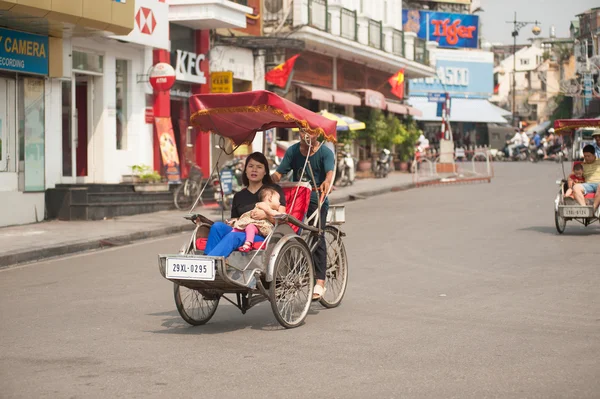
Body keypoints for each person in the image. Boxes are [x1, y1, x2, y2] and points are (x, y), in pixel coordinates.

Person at [272, 130, 335, 300]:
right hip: (297, 198)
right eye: (303, 130)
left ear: (318, 133)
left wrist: (327, 182)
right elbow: (279, 173)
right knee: (285, 231)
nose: (306, 134)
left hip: (317, 197)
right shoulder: (292, 151)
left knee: (317, 235)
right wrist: (268, 180)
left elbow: (329, 173)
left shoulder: (325, 152)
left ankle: (320, 282)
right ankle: (284, 275)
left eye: (311, 130)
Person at [203, 152, 286, 257]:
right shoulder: (239, 196)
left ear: (265, 171)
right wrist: (232, 222)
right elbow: (235, 219)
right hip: (241, 228)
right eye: (251, 166)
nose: (254, 170)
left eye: (259, 167)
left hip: (261, 233)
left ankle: (210, 264)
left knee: (234, 237)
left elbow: (283, 218)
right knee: (217, 227)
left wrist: (266, 215)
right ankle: (206, 262)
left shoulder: (273, 191)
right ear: (245, 170)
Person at [232, 187, 283, 252]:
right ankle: (248, 243)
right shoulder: (262, 204)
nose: (280, 203)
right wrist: (277, 214)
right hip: (256, 224)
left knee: (249, 228)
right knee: (250, 227)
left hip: (261, 230)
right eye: (278, 200)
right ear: (270, 198)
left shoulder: (272, 209)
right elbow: (270, 211)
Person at [572, 144, 600, 217]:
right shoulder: (581, 165)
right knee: (575, 187)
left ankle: (593, 209)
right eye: (585, 156)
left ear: (594, 155)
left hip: (599, 184)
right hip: (588, 185)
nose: (586, 158)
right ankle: (585, 209)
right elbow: (571, 175)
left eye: (588, 156)